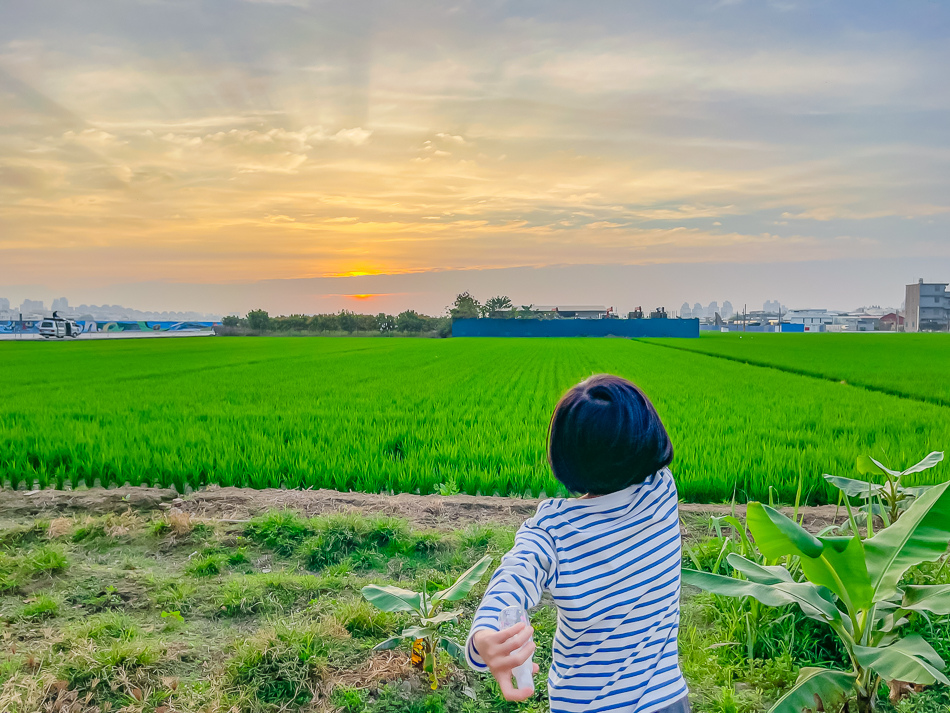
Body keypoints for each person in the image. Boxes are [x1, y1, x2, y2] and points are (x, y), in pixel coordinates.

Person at [465, 374, 688, 713]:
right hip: (667, 701)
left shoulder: (553, 529)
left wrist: (485, 632)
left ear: (563, 453)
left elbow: (514, 575)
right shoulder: (660, 491)